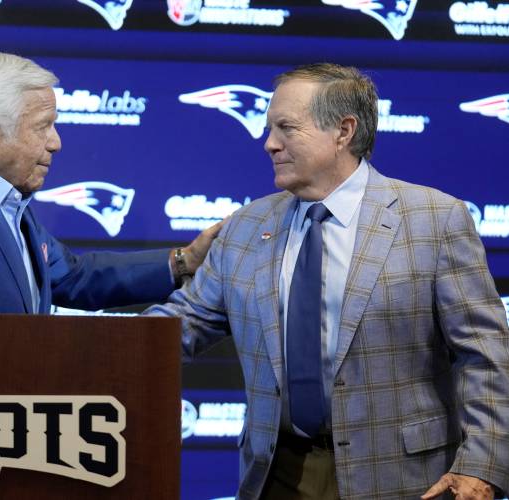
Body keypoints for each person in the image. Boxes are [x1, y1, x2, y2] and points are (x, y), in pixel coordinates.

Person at [147, 63, 509, 499]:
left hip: (404, 479)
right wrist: (84, 346)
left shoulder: (434, 220)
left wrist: (481, 464)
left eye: (286, 128)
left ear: (343, 131)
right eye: (269, 128)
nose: (269, 144)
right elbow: (177, 326)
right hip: (276, 476)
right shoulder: (245, 227)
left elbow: (485, 357)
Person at [0, 51, 219, 313]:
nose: (56, 142)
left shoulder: (6, 197)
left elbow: (72, 278)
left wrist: (183, 262)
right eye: (42, 126)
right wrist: (75, 356)